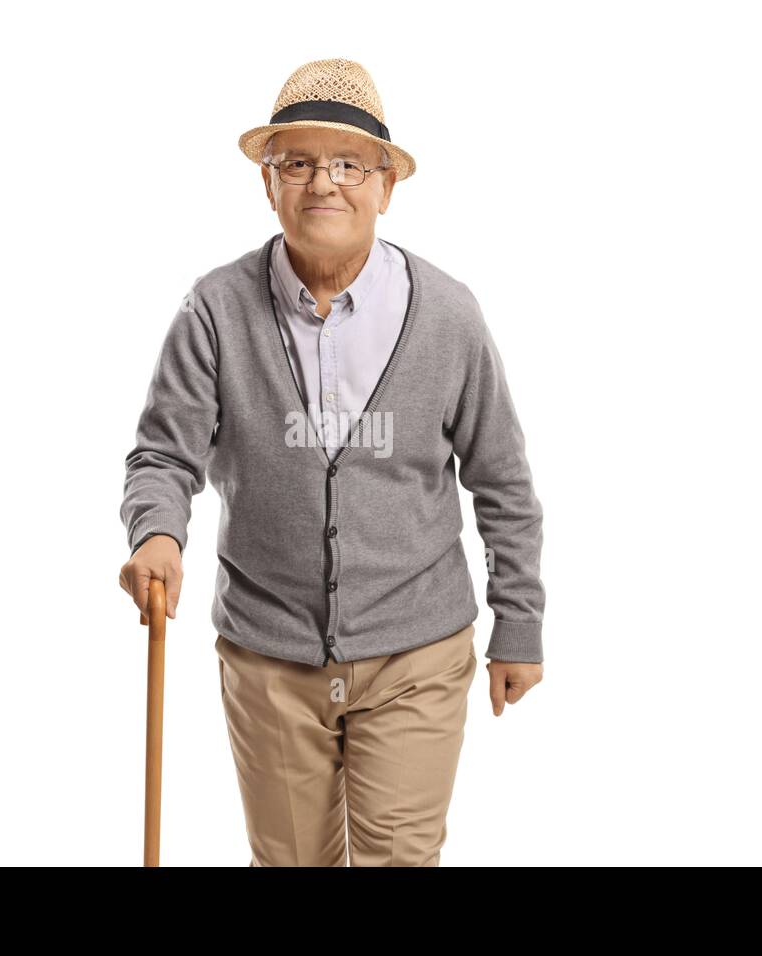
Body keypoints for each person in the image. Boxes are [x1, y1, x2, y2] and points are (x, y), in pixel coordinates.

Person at [119, 58, 545, 866]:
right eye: (299, 163)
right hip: (267, 653)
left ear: (386, 186)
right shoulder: (214, 310)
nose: (325, 184)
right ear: (269, 184)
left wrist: (517, 624)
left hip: (416, 648)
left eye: (350, 164)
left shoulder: (449, 315)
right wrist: (157, 535)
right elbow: (162, 453)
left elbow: (503, 481)